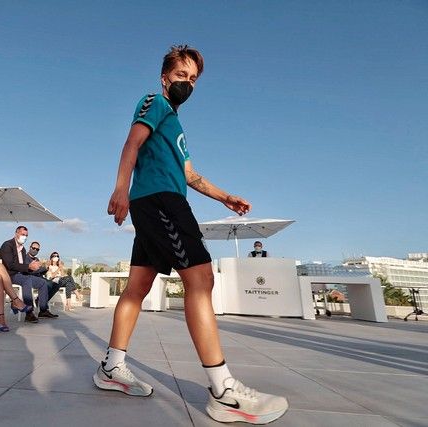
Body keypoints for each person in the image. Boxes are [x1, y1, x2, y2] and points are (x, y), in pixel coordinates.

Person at [93, 45, 288, 424]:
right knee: (201, 279)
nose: (187, 83)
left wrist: (225, 197)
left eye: (193, 79)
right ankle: (224, 391)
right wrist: (120, 188)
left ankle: (111, 368)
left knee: (137, 288)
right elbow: (131, 142)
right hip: (159, 200)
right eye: (181, 76)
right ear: (165, 77)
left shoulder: (176, 125)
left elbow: (190, 174)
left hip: (160, 199)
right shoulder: (155, 103)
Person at [0, 227, 59, 322]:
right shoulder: (7, 245)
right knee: (27, 280)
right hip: (8, 275)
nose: (24, 237)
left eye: (26, 235)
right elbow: (9, 265)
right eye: (22, 234)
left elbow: (23, 266)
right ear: (16, 234)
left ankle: (43, 310)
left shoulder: (22, 250)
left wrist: (34, 268)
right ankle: (29, 313)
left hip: (21, 274)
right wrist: (29, 267)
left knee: (42, 282)